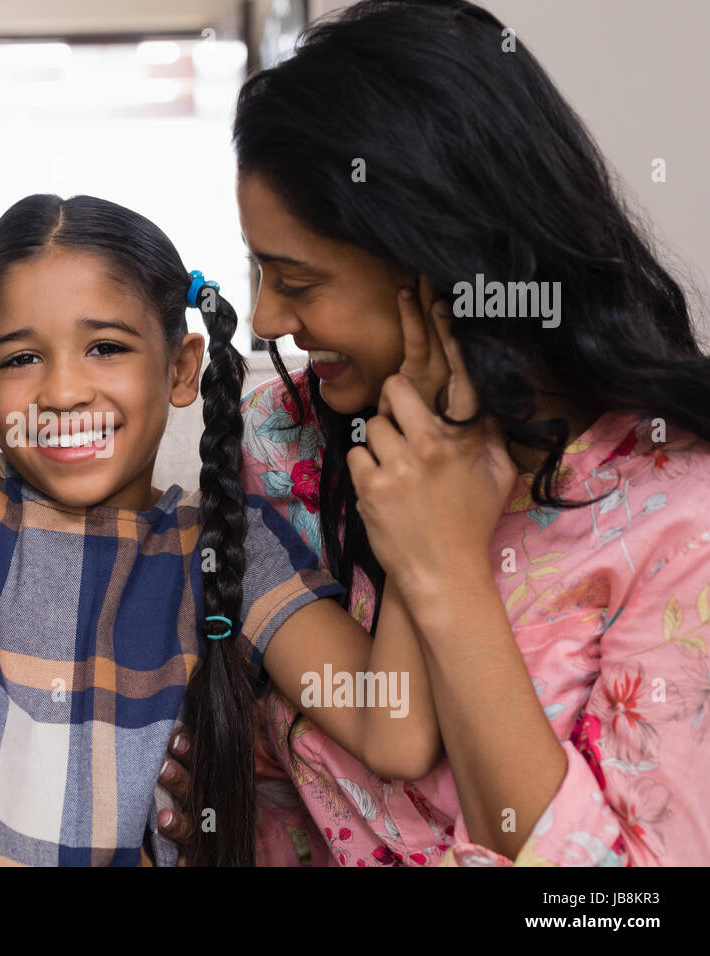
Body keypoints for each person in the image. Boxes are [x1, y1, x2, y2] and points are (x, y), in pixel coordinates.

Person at [158, 0, 710, 866]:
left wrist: (446, 571)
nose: (266, 316)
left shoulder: (681, 521)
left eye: (297, 278)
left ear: (442, 264)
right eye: (259, 270)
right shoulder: (282, 443)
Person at [0, 193, 452, 866]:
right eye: (22, 359)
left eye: (106, 348)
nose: (65, 391)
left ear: (180, 368)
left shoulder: (230, 544)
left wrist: (422, 510)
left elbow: (392, 729)